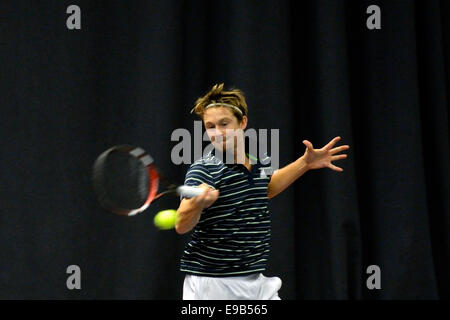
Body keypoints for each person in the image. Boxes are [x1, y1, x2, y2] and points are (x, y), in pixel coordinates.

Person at [175, 83, 349, 300]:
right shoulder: (203, 169)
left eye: (224, 123)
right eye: (210, 126)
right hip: (213, 283)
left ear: (243, 122)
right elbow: (181, 224)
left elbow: (264, 188)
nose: (217, 133)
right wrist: (196, 203)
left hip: (255, 280)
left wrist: (304, 163)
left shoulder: (259, 161)